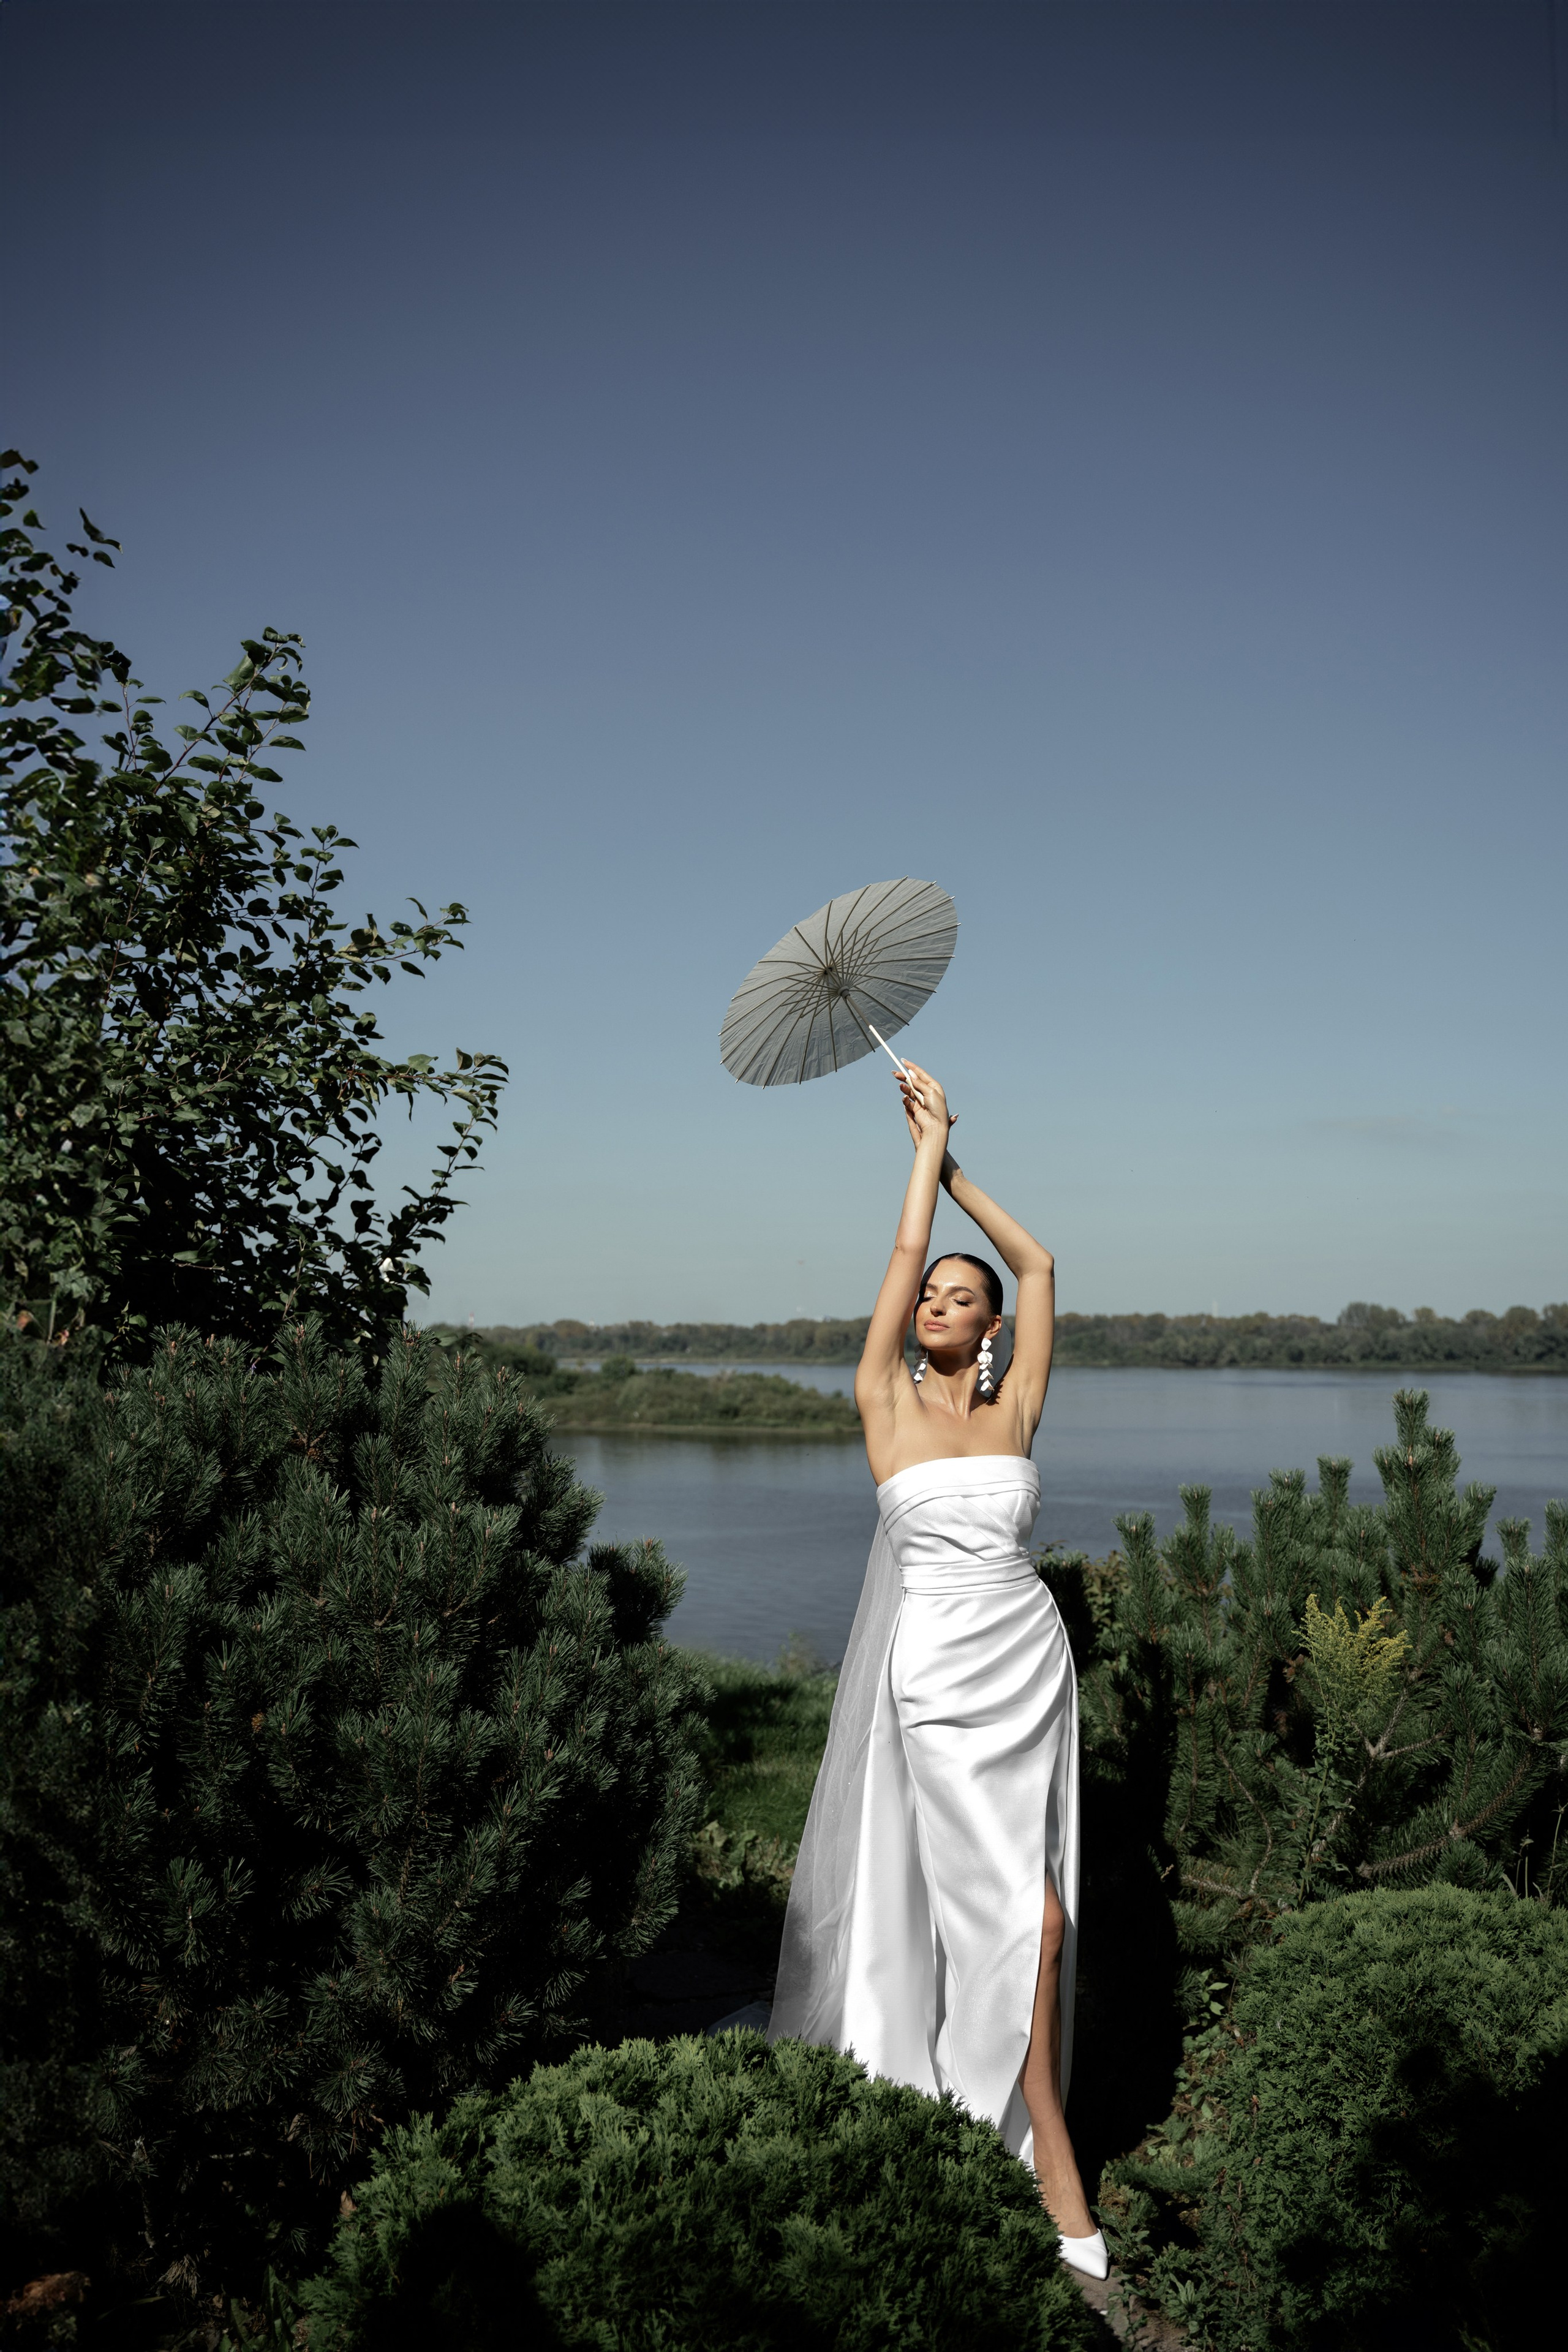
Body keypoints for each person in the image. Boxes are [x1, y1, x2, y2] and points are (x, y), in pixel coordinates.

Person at [769, 1057, 1106, 2280]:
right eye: (928, 1294)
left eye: (960, 1297)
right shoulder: (882, 1400)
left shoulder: (1016, 1408)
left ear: (990, 1328)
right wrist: (921, 1154)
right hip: (940, 1684)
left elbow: (1041, 1264)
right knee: (1033, 1923)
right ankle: (1044, 2151)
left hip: (1027, 1665)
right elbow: (905, 1251)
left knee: (1025, 1918)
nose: (936, 1302)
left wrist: (958, 1162)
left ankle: (997, 2121)